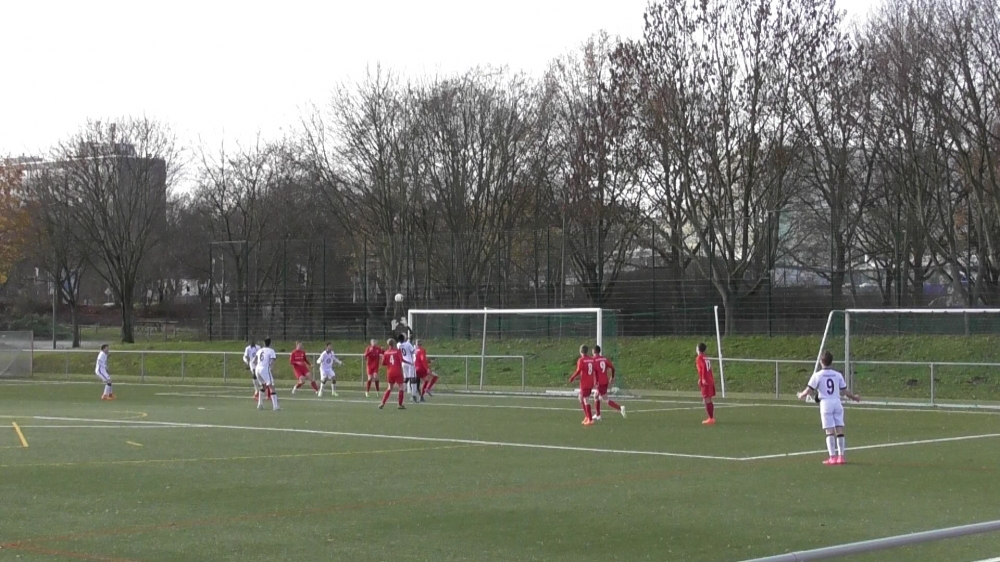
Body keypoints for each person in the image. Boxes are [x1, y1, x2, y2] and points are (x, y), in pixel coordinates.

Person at [798, 350, 861, 465]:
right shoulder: (837, 375)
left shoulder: (817, 375)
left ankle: (832, 457)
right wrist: (854, 398)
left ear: (821, 361)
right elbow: (845, 391)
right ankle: (841, 457)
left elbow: (809, 390)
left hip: (826, 404)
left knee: (829, 431)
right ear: (831, 362)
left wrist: (801, 395)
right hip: (837, 402)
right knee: (839, 429)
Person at [591, 345, 624, 420]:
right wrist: (612, 377)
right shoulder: (604, 359)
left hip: (599, 382)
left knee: (604, 399)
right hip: (605, 381)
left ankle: (620, 408)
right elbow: (612, 368)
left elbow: (593, 371)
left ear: (593, 351)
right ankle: (598, 415)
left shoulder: (593, 360)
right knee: (596, 396)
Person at [568, 345, 596, 425]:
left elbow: (578, 370)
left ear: (580, 351)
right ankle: (587, 416)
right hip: (589, 382)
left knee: (586, 400)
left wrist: (572, 377)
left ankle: (590, 419)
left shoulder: (581, 360)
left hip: (585, 383)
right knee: (580, 398)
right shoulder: (591, 359)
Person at [379, 338, 407, 410]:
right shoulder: (397, 351)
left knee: (389, 388)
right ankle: (400, 404)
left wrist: (383, 355)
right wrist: (409, 362)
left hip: (390, 372)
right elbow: (402, 360)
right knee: (401, 387)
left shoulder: (386, 352)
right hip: (397, 371)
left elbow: (383, 363)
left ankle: (382, 403)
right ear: (394, 343)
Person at [255, 338, 280, 411]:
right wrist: (270, 367)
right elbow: (272, 360)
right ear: (270, 343)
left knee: (263, 386)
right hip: (264, 369)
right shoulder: (271, 351)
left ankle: (260, 404)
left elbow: (254, 360)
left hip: (257, 369)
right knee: (271, 386)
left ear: (264, 343)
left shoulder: (260, 350)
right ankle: (275, 407)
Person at [696, 343, 716, 425]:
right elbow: (708, 369)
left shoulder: (699, 358)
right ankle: (711, 417)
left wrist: (703, 379)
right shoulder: (706, 357)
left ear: (698, 349)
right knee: (708, 399)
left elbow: (703, 368)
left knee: (706, 399)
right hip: (710, 380)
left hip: (706, 381)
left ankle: (711, 418)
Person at [397, 333, 418, 403]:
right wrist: (415, 348)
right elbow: (414, 352)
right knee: (413, 378)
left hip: (403, 363)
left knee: (406, 379)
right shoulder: (408, 344)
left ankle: (400, 392)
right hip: (410, 363)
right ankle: (414, 395)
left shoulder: (398, 344)